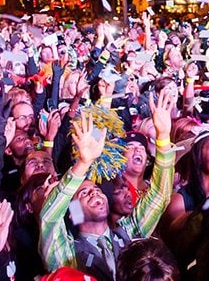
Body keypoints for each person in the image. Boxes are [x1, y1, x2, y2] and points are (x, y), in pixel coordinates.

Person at [39, 87, 176, 281]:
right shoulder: (68, 257)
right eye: (84, 194)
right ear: (72, 211)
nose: (95, 194)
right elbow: (49, 219)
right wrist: (83, 163)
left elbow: (159, 197)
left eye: (96, 190)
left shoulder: (128, 234)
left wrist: (163, 137)